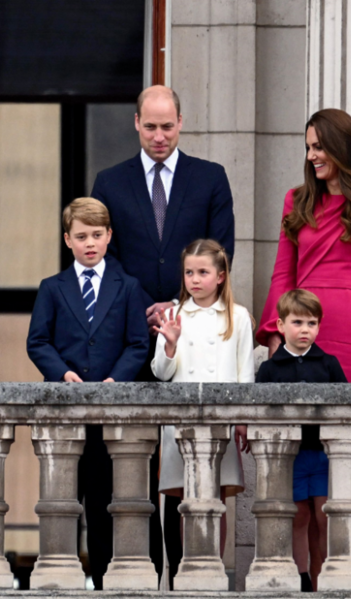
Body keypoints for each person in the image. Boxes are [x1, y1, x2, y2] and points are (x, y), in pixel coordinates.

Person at [90, 84, 236, 583]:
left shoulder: (210, 178)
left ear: (182, 122)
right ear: (135, 123)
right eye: (150, 126)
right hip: (128, 339)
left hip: (192, 336)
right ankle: (139, 573)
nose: (158, 135)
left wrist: (176, 304)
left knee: (186, 469)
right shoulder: (109, 181)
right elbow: (101, 260)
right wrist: (142, 308)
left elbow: (221, 251)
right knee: (130, 462)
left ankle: (186, 576)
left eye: (167, 126)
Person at [256, 108, 351, 517]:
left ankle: (347, 561)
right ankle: (304, 572)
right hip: (300, 328)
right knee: (295, 441)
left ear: (341, 148)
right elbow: (282, 273)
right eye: (308, 148)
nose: (311, 156)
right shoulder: (296, 200)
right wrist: (275, 335)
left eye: (319, 146)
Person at [26, 197, 149, 589]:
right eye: (81, 236)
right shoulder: (52, 287)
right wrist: (61, 373)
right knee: (62, 502)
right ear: (67, 239)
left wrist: (117, 380)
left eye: (97, 235)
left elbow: (137, 344)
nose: (90, 243)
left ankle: (102, 582)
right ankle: (60, 581)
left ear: (109, 236)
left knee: (102, 501)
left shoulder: (128, 287)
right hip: (64, 413)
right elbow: (38, 341)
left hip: (108, 415)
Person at [151, 239, 251, 567]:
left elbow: (244, 375)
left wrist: (243, 420)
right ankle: (185, 571)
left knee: (216, 501)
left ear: (221, 276)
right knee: (185, 501)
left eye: (203, 272)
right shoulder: (173, 314)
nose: (194, 279)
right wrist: (169, 345)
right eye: (189, 272)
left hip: (219, 423)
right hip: (181, 425)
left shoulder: (238, 316)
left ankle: (214, 570)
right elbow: (161, 374)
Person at [256, 289, 347, 592]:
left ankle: (324, 580)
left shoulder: (329, 363)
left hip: (321, 455)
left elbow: (345, 407)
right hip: (289, 458)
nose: (305, 329)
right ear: (280, 326)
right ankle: (302, 579)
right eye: (297, 322)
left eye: (311, 323)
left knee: (323, 517)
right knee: (298, 517)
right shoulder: (269, 369)